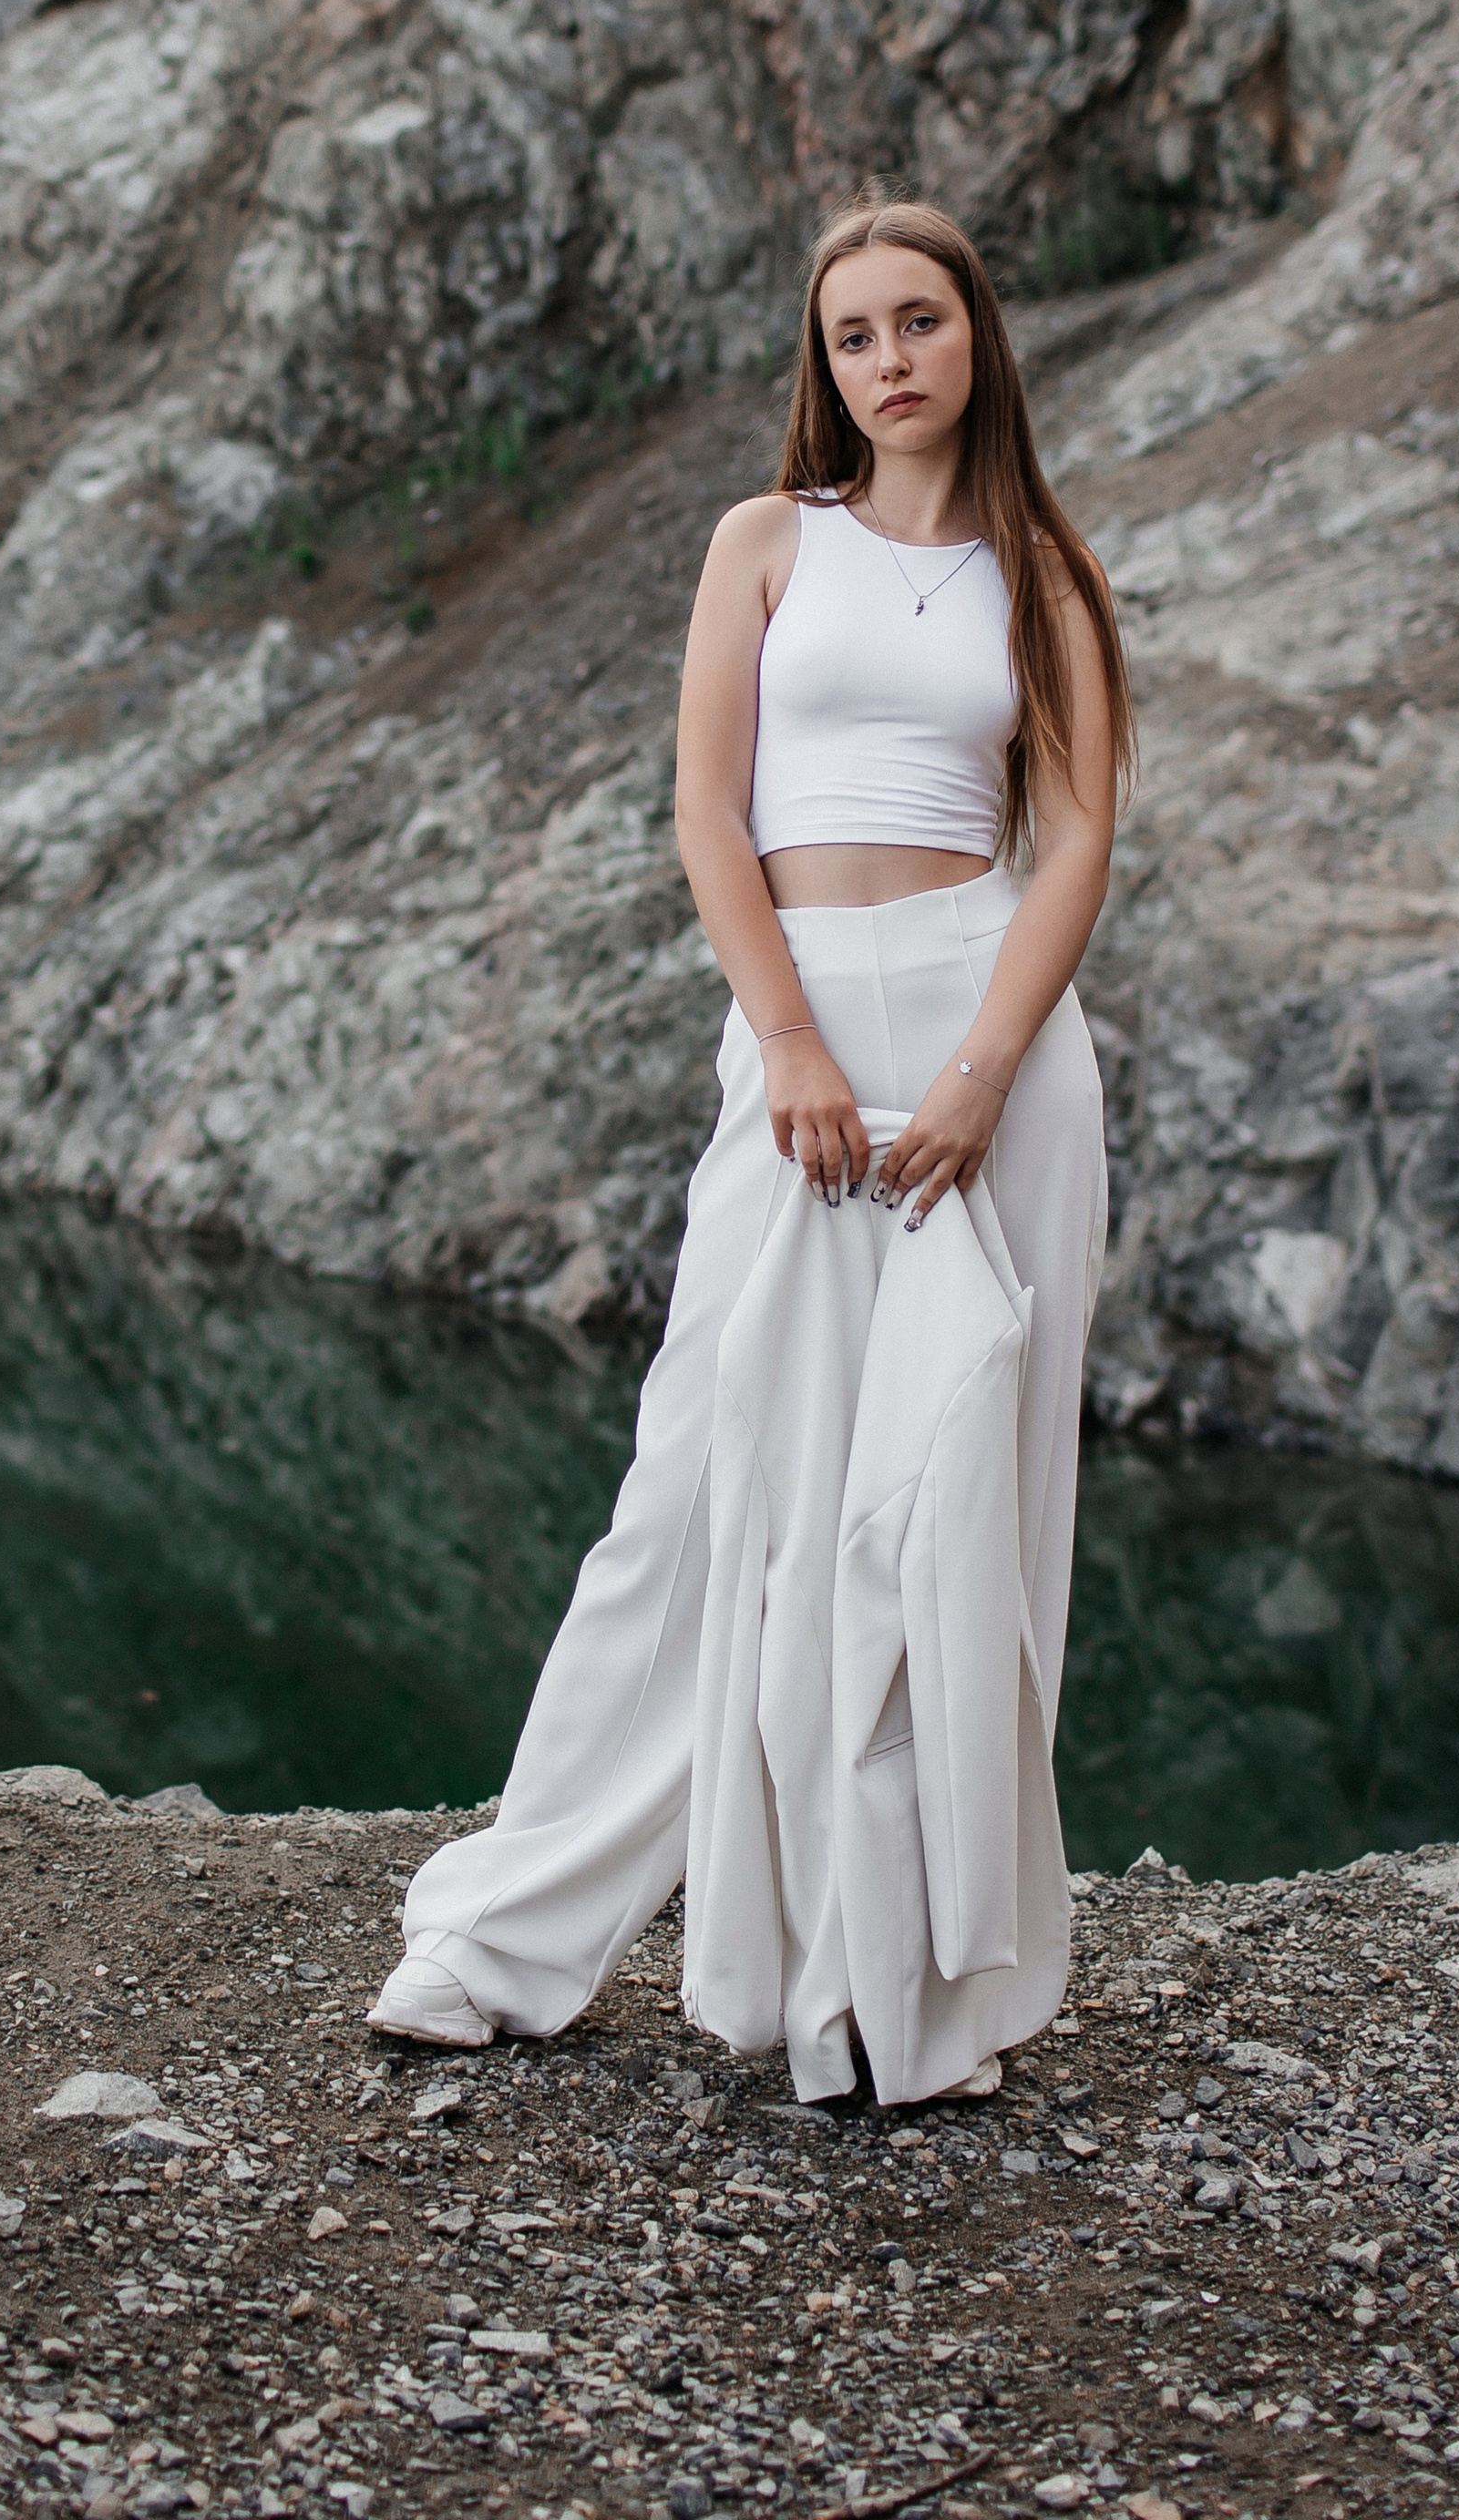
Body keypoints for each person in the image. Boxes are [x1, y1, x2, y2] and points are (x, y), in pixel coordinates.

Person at [367, 194, 1133, 2103]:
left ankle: (900, 1999)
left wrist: (975, 1072)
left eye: (918, 322)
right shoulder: (761, 545)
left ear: (975, 339)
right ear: (825, 365)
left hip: (987, 1042)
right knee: (696, 1492)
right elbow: (708, 813)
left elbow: (1077, 845)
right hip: (799, 1033)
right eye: (853, 333)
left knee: (948, 1514)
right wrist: (785, 1037)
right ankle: (499, 1945)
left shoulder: (1042, 568)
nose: (888, 359)